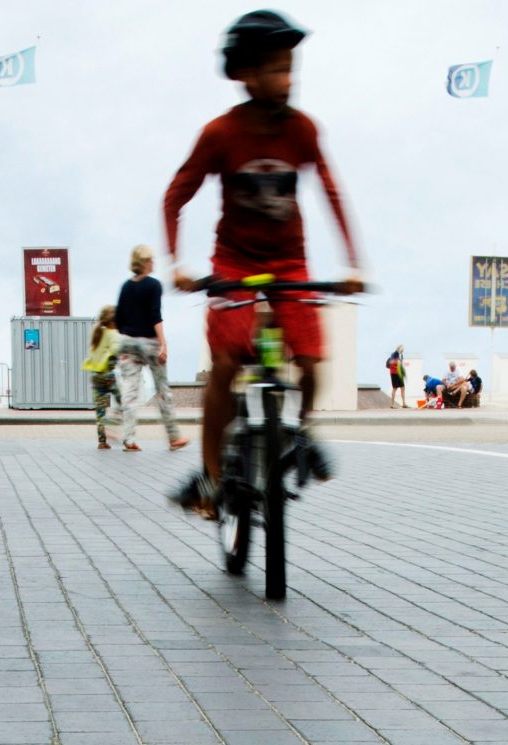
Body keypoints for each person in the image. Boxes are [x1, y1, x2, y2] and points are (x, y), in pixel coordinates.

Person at [164, 10, 363, 516]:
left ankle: (302, 430)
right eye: (276, 68)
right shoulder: (220, 134)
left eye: (290, 67)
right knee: (226, 366)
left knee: (313, 359)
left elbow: (332, 191)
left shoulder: (302, 130)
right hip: (233, 261)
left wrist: (353, 263)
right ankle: (211, 479)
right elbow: (175, 197)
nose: (287, 79)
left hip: (289, 262)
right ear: (246, 75)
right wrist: (177, 264)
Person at [115, 244, 189, 453]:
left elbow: (119, 317)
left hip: (128, 343)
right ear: (145, 262)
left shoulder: (125, 286)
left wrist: (128, 332)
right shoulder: (153, 285)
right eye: (151, 260)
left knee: (129, 391)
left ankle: (129, 439)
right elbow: (155, 315)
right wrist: (163, 344)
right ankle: (174, 436)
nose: (154, 263)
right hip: (148, 342)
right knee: (162, 390)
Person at [81, 305, 121, 449]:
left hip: (96, 377)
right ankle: (111, 425)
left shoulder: (97, 333)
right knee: (123, 401)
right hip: (108, 376)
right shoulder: (113, 333)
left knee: (101, 409)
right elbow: (116, 349)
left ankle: (102, 442)